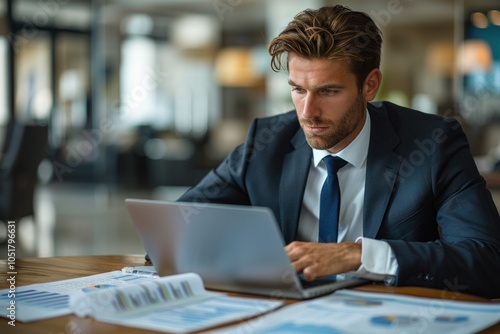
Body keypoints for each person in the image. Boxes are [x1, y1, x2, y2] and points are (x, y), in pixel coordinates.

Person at [178, 5, 500, 298]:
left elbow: (487, 260)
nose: (308, 112)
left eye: (328, 91)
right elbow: (180, 225)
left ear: (370, 85)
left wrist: (360, 255)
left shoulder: (433, 143)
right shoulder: (265, 142)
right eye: (297, 89)